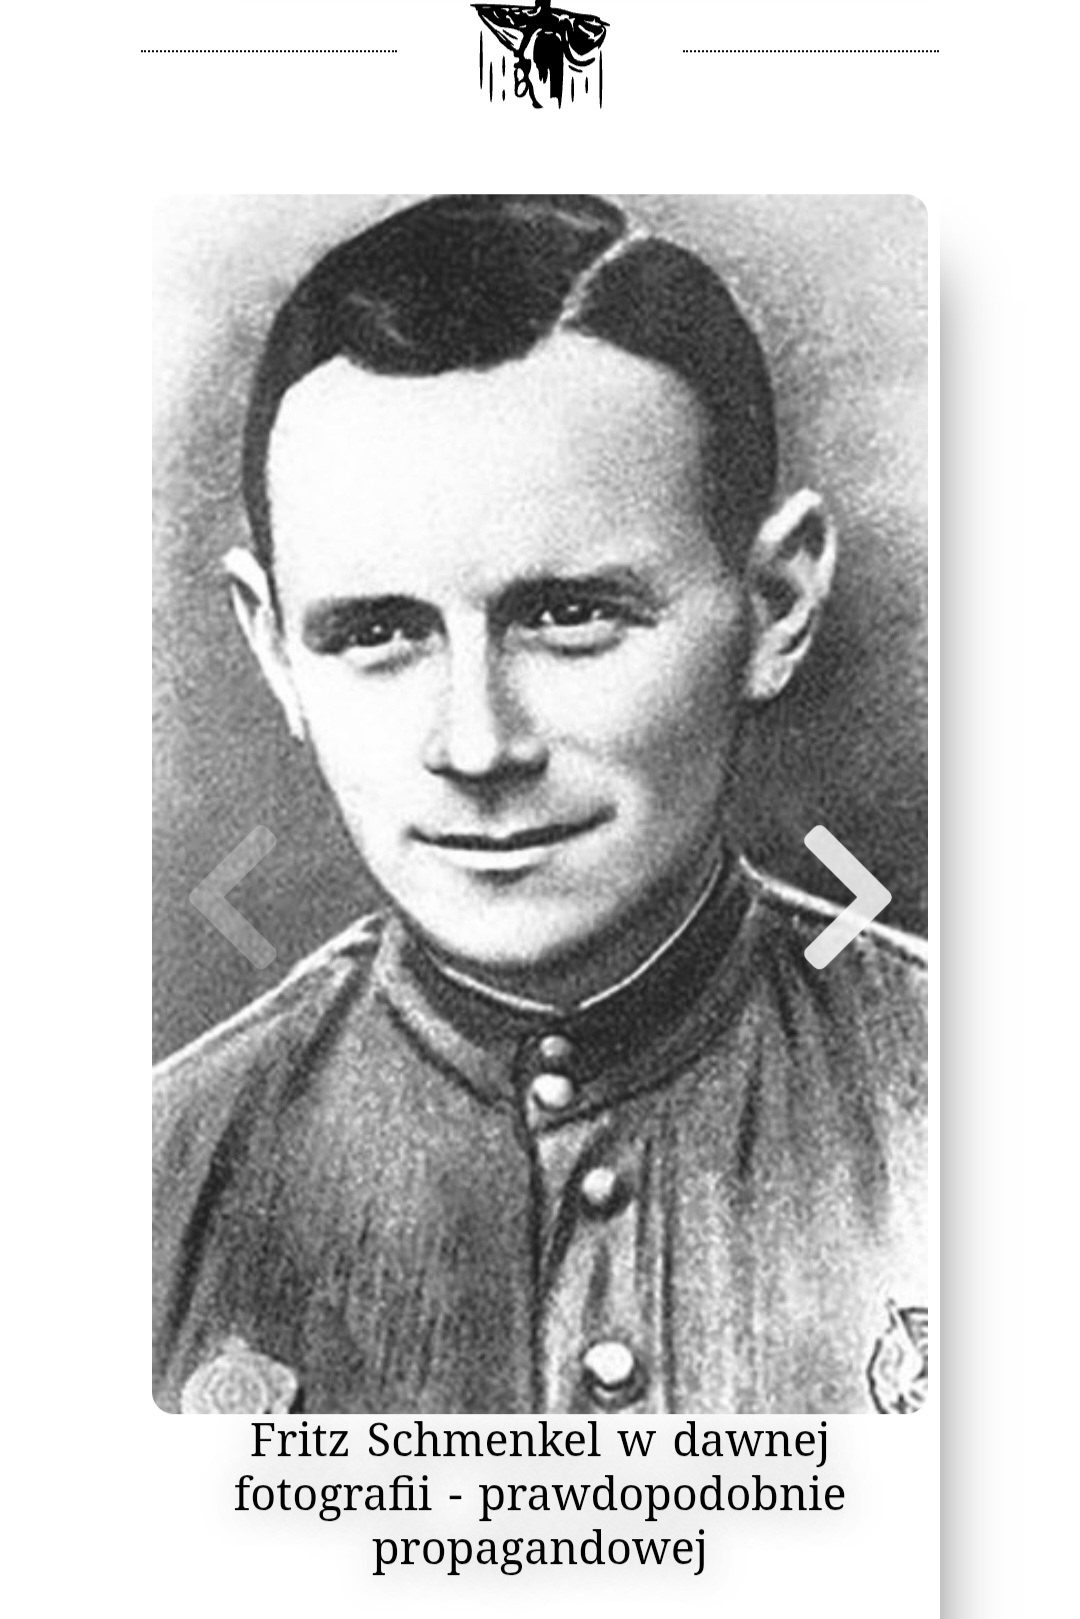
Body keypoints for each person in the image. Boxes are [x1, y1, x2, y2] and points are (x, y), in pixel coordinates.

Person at [154, 194, 927, 1416]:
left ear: (776, 604)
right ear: (273, 649)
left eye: (569, 614)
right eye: (376, 632)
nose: (478, 744)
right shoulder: (148, 1177)